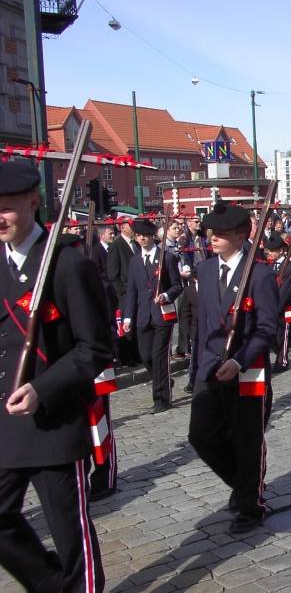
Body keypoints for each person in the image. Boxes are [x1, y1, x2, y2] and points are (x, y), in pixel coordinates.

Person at [0, 161, 111, 591]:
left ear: (33, 202)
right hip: (7, 420)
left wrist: (42, 388)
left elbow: (96, 348)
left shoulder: (66, 264)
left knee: (69, 533)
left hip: (53, 417)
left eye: (7, 206)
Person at [187, 202, 278, 534]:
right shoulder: (206, 270)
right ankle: (244, 485)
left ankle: (250, 507)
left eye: (223, 233)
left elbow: (267, 328)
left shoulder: (261, 273)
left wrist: (239, 360)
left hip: (248, 369)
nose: (214, 238)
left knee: (246, 439)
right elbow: (203, 324)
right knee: (201, 434)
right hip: (210, 366)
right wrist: (197, 369)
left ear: (243, 235)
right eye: (212, 232)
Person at [122, 219, 183, 413]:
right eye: (138, 236)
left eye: (145, 236)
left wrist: (165, 295)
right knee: (146, 356)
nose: (142, 239)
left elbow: (176, 285)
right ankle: (164, 379)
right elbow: (132, 291)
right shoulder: (134, 261)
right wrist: (127, 317)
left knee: (159, 357)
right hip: (142, 315)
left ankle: (161, 399)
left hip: (162, 315)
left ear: (152, 237)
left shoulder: (167, 258)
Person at [106, 217, 140, 365]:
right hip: (124, 293)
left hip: (136, 291)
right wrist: (121, 293)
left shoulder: (135, 244)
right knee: (126, 326)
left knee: (137, 324)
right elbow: (113, 273)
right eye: (130, 226)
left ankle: (137, 354)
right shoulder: (117, 245)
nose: (133, 229)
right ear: (122, 228)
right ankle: (127, 357)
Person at [264, 233, 291, 373]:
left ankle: (282, 360)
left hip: (285, 305)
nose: (270, 254)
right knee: (272, 335)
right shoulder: (269, 265)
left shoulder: (289, 267)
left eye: (273, 251)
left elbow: (285, 291)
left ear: (281, 250)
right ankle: (278, 355)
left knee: (283, 333)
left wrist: (276, 308)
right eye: (269, 251)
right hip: (270, 305)